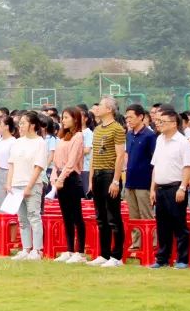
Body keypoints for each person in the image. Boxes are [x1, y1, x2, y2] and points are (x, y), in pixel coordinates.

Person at [148, 107, 190, 269]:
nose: (159, 124)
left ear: (174, 124)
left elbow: (188, 166)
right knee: (162, 225)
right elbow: (155, 165)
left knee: (179, 224)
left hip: (175, 187)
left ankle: (182, 258)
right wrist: (153, 188)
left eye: (162, 122)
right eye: (158, 122)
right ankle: (162, 258)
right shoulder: (160, 139)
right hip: (160, 187)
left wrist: (182, 187)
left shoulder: (183, 142)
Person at [88, 97, 126, 267]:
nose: (97, 108)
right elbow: (94, 156)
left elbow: (120, 155)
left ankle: (116, 256)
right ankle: (104, 254)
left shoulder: (117, 129)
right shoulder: (97, 129)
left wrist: (116, 180)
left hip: (110, 174)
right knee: (101, 217)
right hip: (97, 173)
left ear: (109, 109)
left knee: (113, 217)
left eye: (101, 105)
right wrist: (91, 178)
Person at [8, 111, 47, 261]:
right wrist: (9, 183)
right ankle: (26, 248)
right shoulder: (17, 142)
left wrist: (29, 187)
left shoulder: (40, 143)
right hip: (16, 184)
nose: (20, 126)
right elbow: (11, 164)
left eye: (23, 123)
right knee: (22, 219)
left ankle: (37, 250)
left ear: (32, 125)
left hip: (32, 184)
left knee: (33, 216)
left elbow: (38, 167)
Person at [52, 107, 87, 263]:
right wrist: (54, 176)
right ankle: (69, 249)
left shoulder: (78, 136)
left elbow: (72, 161)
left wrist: (62, 178)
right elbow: (56, 160)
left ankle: (79, 251)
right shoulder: (62, 137)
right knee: (66, 216)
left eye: (66, 117)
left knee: (76, 215)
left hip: (71, 178)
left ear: (75, 119)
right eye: (63, 117)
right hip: (60, 176)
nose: (63, 120)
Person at [122, 104, 157, 251]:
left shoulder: (150, 136)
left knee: (146, 214)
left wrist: (153, 186)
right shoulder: (129, 135)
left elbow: (155, 161)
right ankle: (137, 243)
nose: (128, 120)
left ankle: (152, 243)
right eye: (126, 117)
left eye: (131, 117)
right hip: (130, 180)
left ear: (141, 117)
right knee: (134, 215)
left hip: (144, 182)